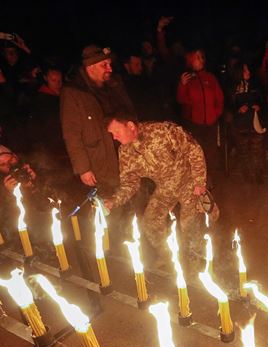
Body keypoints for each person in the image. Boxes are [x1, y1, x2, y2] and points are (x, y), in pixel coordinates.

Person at [103, 112, 208, 266]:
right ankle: (169, 257)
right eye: (112, 134)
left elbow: (193, 150)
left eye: (117, 132)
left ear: (130, 126)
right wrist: (113, 201)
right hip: (165, 189)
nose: (114, 138)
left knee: (189, 225)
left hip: (189, 184)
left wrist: (200, 181)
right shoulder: (125, 152)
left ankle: (197, 261)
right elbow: (129, 182)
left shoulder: (162, 131)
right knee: (150, 222)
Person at [60, 44, 135, 196]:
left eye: (110, 64)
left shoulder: (115, 84)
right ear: (90, 67)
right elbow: (71, 134)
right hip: (100, 162)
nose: (110, 69)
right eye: (104, 65)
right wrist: (83, 168)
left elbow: (131, 113)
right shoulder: (74, 93)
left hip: (127, 156)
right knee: (110, 203)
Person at [176, 49, 224, 172]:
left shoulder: (210, 77)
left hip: (211, 122)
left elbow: (219, 97)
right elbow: (181, 100)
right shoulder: (188, 79)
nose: (200, 59)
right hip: (195, 123)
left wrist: (216, 113)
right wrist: (182, 85)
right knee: (197, 151)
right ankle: (199, 179)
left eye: (201, 56)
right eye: (197, 57)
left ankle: (209, 177)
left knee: (211, 151)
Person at [229, 62, 267, 183]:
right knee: (243, 151)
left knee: (257, 151)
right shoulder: (232, 88)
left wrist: (259, 106)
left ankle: (258, 174)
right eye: (245, 70)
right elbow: (228, 107)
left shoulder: (256, 85)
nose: (248, 72)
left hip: (254, 124)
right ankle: (246, 174)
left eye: (248, 70)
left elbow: (264, 102)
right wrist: (238, 110)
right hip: (240, 126)